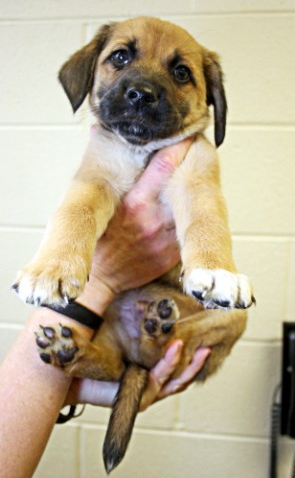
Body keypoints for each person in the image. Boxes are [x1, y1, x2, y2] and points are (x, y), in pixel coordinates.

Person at [0, 139, 211, 478]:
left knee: (228, 316)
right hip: (117, 321)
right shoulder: (104, 147)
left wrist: (69, 392)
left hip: (167, 305)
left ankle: (138, 346)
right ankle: (123, 352)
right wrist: (100, 280)